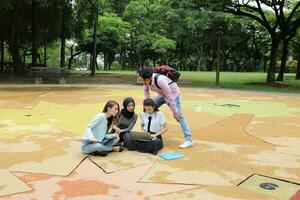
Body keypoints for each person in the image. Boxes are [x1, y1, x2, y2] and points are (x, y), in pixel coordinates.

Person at [138, 67, 193, 148]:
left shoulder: (160, 80)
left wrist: (175, 112)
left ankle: (189, 140)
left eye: (144, 80)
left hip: (173, 95)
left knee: (179, 116)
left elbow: (169, 96)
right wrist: (146, 108)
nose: (143, 82)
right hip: (161, 95)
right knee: (149, 109)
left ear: (149, 78)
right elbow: (146, 95)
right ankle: (149, 132)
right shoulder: (146, 82)